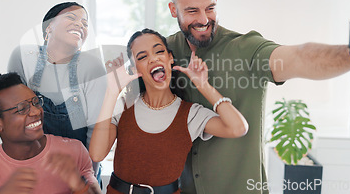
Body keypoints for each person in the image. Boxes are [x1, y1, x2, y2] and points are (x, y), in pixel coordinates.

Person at [166, 0, 350, 194]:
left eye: (210, 8)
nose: (203, 19)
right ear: (173, 9)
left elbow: (300, 57)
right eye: (192, 11)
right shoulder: (164, 51)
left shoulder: (245, 48)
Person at [89, 28, 248, 194]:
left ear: (170, 57)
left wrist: (203, 85)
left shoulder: (191, 114)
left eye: (159, 51)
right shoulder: (124, 106)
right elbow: (97, 154)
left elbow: (238, 128)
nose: (154, 58)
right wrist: (112, 91)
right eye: (142, 57)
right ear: (135, 68)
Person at [8, 2, 106, 181]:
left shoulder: (91, 66)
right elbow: (14, 119)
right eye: (71, 17)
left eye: (85, 23)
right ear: (49, 26)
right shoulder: (23, 57)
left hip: (80, 171)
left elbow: (96, 129)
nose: (80, 25)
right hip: (33, 170)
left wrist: (87, 178)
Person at [0, 72, 101, 194]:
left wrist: (78, 184)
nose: (36, 111)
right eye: (22, 108)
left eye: (35, 102)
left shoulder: (75, 151)